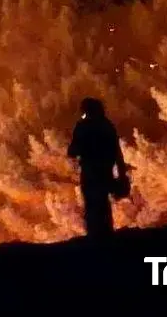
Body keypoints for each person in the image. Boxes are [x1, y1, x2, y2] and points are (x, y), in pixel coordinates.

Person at [67, 98, 129, 238]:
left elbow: (72, 151)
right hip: (105, 172)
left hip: (90, 173)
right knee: (103, 206)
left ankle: (95, 240)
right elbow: (117, 154)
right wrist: (121, 175)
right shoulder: (107, 126)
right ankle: (106, 238)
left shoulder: (83, 126)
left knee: (92, 206)